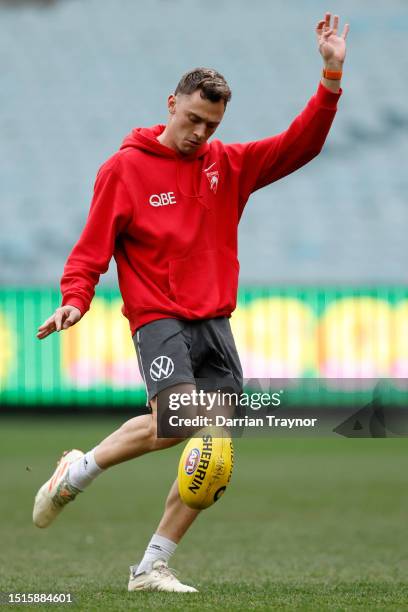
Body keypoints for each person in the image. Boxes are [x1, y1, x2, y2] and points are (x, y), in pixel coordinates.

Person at [33, 13, 349, 593]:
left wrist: (330, 76)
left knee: (212, 456)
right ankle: (79, 475)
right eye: (194, 119)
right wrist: (74, 299)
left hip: (214, 322)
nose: (200, 133)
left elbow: (300, 144)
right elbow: (90, 249)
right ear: (171, 103)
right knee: (182, 423)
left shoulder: (227, 165)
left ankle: (147, 562)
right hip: (158, 318)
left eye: (212, 123)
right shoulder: (124, 169)